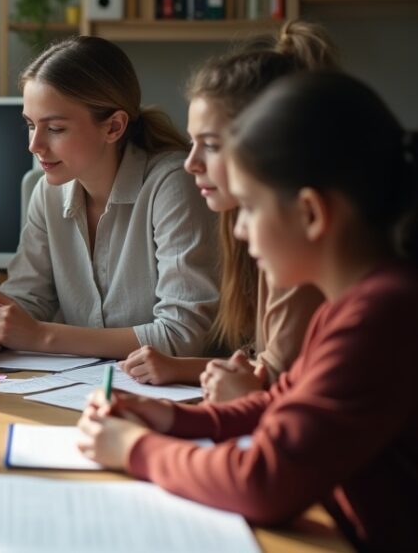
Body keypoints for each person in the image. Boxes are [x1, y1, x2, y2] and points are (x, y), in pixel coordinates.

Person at [77, 71, 418, 551]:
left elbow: (264, 482)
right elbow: (279, 402)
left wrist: (134, 448)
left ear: (311, 214)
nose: (240, 231)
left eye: (252, 208)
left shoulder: (382, 316)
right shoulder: (351, 307)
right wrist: (168, 419)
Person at [0, 36, 218, 367]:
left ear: (113, 126)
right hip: (81, 389)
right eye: (30, 125)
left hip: (183, 396)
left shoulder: (172, 185)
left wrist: (41, 336)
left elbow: (182, 335)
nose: (34, 145)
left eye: (55, 128)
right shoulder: (48, 191)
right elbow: (28, 298)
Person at [121, 22, 332, 397]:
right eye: (192, 143)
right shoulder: (250, 227)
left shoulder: (296, 244)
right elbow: (267, 368)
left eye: (211, 145)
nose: (191, 163)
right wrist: (180, 370)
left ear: (265, 142)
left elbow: (277, 388)